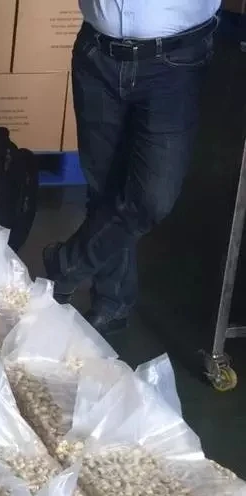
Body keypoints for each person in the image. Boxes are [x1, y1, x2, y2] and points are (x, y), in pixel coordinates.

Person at [43, 1, 220, 335]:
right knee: (104, 188)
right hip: (98, 54)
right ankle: (112, 303)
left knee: (152, 198)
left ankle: (67, 265)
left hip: (175, 63)